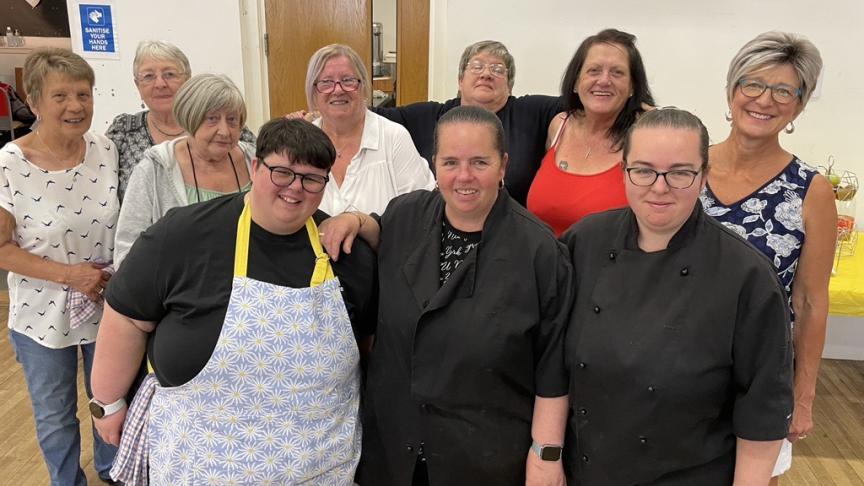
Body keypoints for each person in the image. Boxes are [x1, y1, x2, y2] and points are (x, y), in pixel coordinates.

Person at [91, 118, 377, 485]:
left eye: (311, 178)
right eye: (282, 172)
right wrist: (108, 403)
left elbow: (369, 344)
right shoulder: (182, 235)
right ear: (255, 167)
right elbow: (127, 316)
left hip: (318, 468)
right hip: (198, 464)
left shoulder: (345, 253)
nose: (295, 188)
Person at [324, 105, 573, 486]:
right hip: (393, 448)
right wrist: (356, 219)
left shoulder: (539, 250)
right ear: (433, 163)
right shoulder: (403, 215)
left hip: (483, 455)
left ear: (503, 165)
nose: (464, 176)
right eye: (451, 162)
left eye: (480, 162)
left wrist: (546, 454)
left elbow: (553, 365)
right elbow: (377, 232)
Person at [561, 108, 793, 486]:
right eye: (643, 169)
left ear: (704, 176)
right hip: (585, 471)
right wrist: (546, 453)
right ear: (623, 171)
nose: (659, 186)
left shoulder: (746, 276)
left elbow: (762, 408)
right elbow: (550, 364)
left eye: (680, 173)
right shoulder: (583, 243)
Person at [699, 31, 836, 484]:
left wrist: (804, 395)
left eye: (784, 90)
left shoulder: (811, 189)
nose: (764, 99)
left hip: (760, 373)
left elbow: (812, 301)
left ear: (798, 106)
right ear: (732, 90)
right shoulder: (686, 167)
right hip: (674, 359)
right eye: (752, 84)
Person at [0, 47, 120, 486]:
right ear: (33, 102)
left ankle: (113, 471)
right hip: (41, 311)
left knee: (109, 397)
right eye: (61, 96)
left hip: (106, 301)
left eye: (83, 94)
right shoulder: (9, 163)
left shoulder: (106, 149)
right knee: (54, 411)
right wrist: (71, 275)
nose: (75, 106)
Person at [113, 72, 256, 267]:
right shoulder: (155, 170)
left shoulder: (255, 162)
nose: (224, 131)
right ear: (190, 118)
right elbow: (127, 252)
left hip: (252, 290)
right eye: (212, 118)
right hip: (180, 292)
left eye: (232, 119)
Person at [527, 28, 655, 236]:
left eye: (617, 72)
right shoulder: (559, 125)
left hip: (609, 265)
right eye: (593, 70)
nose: (604, 80)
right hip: (543, 264)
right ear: (576, 81)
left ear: (632, 86)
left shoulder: (645, 136)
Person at [105, 40, 255, 199]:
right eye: (148, 76)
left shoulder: (228, 129)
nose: (160, 84)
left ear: (188, 79)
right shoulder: (124, 131)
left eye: (169, 74)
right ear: (137, 85)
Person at [305, 44, 433, 216]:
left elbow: (420, 214)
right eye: (326, 82)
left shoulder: (394, 137)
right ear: (313, 93)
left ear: (363, 86)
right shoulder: (302, 143)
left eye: (347, 80)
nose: (338, 90)